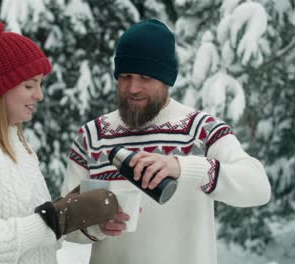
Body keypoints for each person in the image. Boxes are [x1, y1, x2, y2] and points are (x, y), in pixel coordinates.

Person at [61, 19, 271, 264]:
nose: (133, 87)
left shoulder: (200, 130)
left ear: (166, 79)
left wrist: (184, 167)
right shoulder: (93, 137)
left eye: (145, 77)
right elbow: (65, 221)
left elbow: (258, 187)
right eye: (125, 76)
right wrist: (96, 227)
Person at [0, 17, 119, 264]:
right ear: (1, 88)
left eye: (40, 84)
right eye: (30, 85)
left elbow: (38, 236)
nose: (39, 95)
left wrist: (86, 219)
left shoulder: (18, 145)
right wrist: (57, 216)